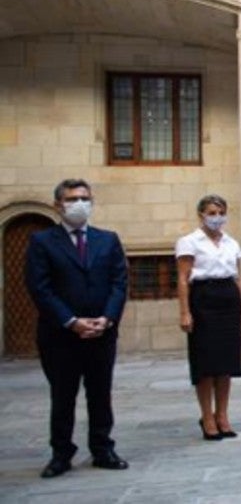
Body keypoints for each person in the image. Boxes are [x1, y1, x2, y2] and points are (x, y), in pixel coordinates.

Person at [25, 179, 130, 478]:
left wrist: (106, 318)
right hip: (60, 336)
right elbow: (40, 288)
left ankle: (102, 448)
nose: (79, 204)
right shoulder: (42, 241)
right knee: (63, 396)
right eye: (72, 199)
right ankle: (61, 453)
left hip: (101, 333)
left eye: (84, 198)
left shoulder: (107, 240)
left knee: (100, 393)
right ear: (59, 204)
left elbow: (119, 283)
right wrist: (71, 321)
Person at [176, 195, 241, 441]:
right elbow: (183, 279)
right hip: (203, 298)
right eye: (211, 212)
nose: (216, 217)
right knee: (206, 363)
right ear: (201, 215)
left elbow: (239, 278)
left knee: (226, 363)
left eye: (220, 212)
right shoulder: (189, 242)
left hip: (228, 297)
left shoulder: (232, 243)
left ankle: (223, 415)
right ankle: (206, 416)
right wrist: (185, 311)